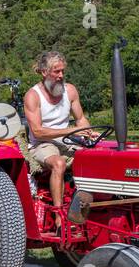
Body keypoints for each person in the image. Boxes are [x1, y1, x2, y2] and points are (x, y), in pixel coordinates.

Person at [23, 50, 95, 227]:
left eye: (63, 71)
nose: (61, 75)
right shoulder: (33, 96)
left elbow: (80, 119)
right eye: (56, 72)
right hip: (42, 144)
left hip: (67, 140)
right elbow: (38, 132)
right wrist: (70, 131)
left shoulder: (70, 91)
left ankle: (89, 208)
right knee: (59, 164)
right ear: (44, 72)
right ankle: (59, 216)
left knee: (95, 157)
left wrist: (88, 131)